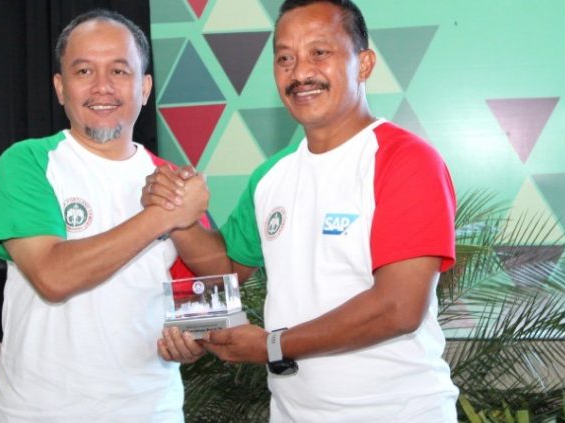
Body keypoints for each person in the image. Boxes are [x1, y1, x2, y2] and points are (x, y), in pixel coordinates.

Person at [149, 0, 459, 420]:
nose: (299, 73)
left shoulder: (405, 160)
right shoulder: (270, 176)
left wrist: (272, 345)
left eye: (319, 52)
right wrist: (176, 215)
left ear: (364, 64)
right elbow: (226, 269)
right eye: (285, 58)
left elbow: (399, 307)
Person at [0, 9, 208, 422]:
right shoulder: (28, 163)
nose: (102, 86)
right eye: (84, 71)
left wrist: (194, 340)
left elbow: (205, 303)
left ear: (144, 88)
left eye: (119, 71)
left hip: (151, 411)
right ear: (60, 88)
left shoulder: (173, 181)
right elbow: (53, 276)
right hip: (41, 414)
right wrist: (162, 216)